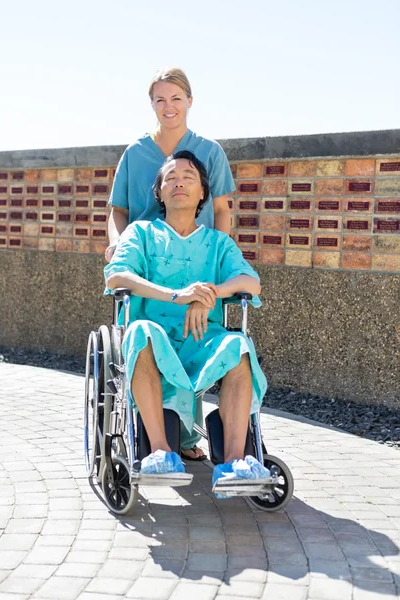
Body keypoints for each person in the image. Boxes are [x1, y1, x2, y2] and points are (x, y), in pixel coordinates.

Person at [104, 151, 268, 493]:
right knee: (142, 332)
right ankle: (161, 454)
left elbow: (251, 283)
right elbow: (117, 276)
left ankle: (234, 463)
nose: (179, 182)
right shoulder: (141, 233)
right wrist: (177, 296)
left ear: (203, 194)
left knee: (237, 345)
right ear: (160, 194)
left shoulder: (217, 243)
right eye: (170, 178)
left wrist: (208, 293)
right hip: (153, 338)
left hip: (203, 340)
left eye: (188, 177)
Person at [106, 67, 235, 462]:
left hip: (198, 257)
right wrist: (115, 246)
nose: (169, 107)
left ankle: (185, 438)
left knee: (194, 334)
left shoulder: (209, 152)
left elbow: (221, 211)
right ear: (152, 105)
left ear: (190, 102)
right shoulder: (135, 152)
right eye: (160, 99)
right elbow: (118, 211)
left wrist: (223, 261)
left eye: (176, 98)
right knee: (152, 332)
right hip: (148, 260)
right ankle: (158, 437)